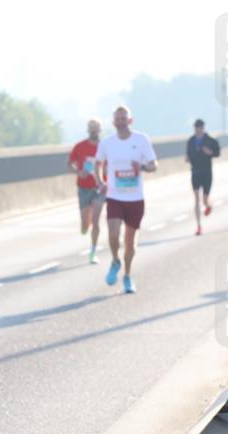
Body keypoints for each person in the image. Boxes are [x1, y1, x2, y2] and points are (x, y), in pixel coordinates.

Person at [94, 106, 158, 294]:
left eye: (124, 119)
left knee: (130, 243)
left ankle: (128, 276)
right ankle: (115, 260)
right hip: (115, 196)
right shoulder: (107, 143)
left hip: (135, 198)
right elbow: (97, 163)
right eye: (118, 119)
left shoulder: (141, 140)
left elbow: (154, 164)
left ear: (130, 121)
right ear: (113, 122)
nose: (121, 122)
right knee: (113, 233)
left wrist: (143, 167)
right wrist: (100, 181)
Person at [67, 118, 106, 263]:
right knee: (86, 223)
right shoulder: (80, 146)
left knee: (96, 221)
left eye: (96, 128)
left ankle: (93, 252)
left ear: (100, 130)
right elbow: (69, 163)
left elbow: (110, 164)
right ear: (88, 130)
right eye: (91, 128)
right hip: (83, 187)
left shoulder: (105, 146)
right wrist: (78, 171)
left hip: (98, 188)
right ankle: (84, 226)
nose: (93, 130)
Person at [185, 119, 220, 236]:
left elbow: (217, 153)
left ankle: (208, 206)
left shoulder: (210, 140)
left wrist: (210, 152)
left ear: (203, 128)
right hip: (195, 172)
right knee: (196, 198)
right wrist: (187, 158)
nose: (197, 129)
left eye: (199, 127)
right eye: (196, 127)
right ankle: (199, 226)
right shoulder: (190, 141)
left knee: (205, 199)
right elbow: (187, 155)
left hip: (206, 172)